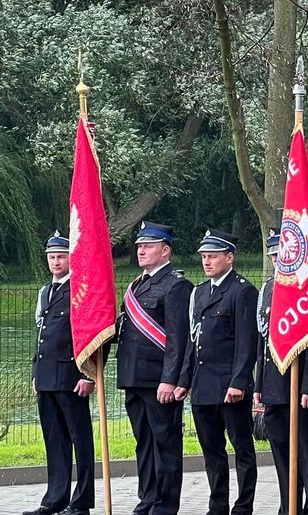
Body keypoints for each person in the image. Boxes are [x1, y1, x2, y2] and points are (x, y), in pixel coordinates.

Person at [175, 229, 258, 515]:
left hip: (229, 386)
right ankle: (217, 505)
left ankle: (243, 506)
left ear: (229, 257)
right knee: (212, 451)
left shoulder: (242, 291)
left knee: (242, 448)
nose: (207, 262)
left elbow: (247, 343)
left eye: (212, 256)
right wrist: (184, 380)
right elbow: (193, 340)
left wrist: (239, 382)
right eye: (204, 257)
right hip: (203, 386)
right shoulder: (199, 292)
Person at [115, 221, 192, 515]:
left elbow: (177, 339)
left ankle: (165, 505)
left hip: (158, 380)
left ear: (165, 250)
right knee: (144, 443)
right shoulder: (137, 285)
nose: (141, 251)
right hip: (134, 377)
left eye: (148, 246)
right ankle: (147, 499)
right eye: (139, 246)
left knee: (165, 443)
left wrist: (170, 379)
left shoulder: (176, 285)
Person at [254, 228, 308, 515]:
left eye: (281, 255)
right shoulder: (268, 289)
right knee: (283, 458)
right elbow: (263, 342)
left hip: (300, 391)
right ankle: (289, 508)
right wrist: (258, 386)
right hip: (273, 387)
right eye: (273, 255)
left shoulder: (306, 289)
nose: (276, 260)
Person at [23, 232, 95, 515]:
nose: (56, 262)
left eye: (61, 257)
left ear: (71, 259)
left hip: (71, 378)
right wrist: (35, 373)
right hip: (46, 378)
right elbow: (41, 337)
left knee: (81, 441)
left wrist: (89, 376)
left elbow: (93, 335)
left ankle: (81, 502)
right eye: (52, 257)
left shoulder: (80, 291)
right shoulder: (46, 292)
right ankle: (55, 499)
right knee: (54, 441)